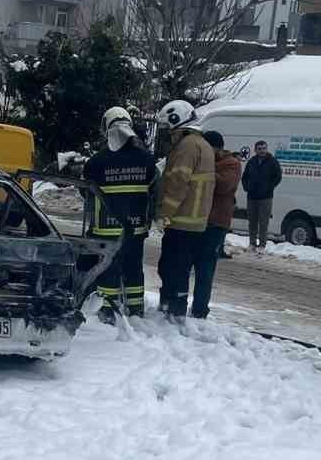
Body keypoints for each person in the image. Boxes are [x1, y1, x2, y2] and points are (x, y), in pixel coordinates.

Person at [84, 106, 157, 321]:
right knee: (133, 267)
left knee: (108, 269)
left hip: (106, 228)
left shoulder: (96, 161)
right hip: (136, 227)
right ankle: (135, 309)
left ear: (107, 128)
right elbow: (153, 189)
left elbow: (85, 191)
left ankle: (107, 309)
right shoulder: (147, 159)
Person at [155, 100, 216, 319]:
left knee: (172, 268)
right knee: (179, 269)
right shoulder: (202, 144)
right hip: (195, 222)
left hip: (181, 221)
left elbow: (178, 183)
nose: (165, 133)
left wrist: (165, 214)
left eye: (166, 127)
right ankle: (174, 307)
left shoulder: (187, 146)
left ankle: (173, 309)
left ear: (175, 119)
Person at [190, 131, 242, 319]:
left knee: (205, 269)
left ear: (216, 147)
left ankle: (200, 310)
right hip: (197, 220)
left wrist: (203, 170)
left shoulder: (231, 163)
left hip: (215, 223)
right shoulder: (210, 162)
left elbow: (223, 185)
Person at [242, 139, 283, 251]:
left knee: (263, 222)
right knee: (252, 222)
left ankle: (262, 245)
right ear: (255, 150)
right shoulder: (251, 162)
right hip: (252, 197)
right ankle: (252, 243)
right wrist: (247, 188)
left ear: (266, 149)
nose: (262, 151)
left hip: (266, 197)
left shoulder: (272, 161)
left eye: (264, 148)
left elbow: (278, 177)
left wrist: (269, 187)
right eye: (259, 149)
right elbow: (244, 177)